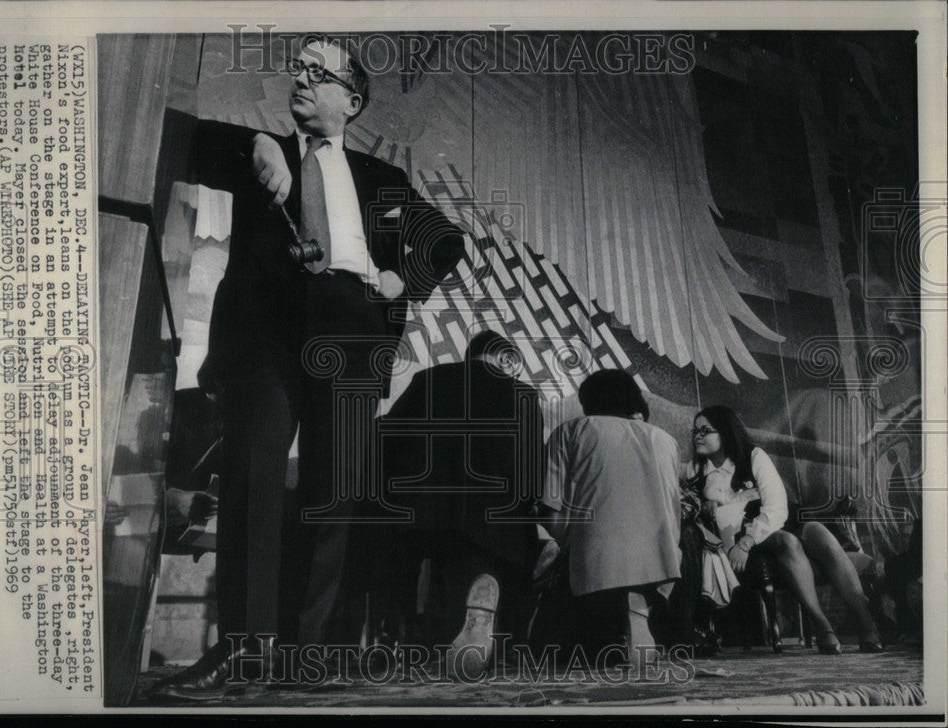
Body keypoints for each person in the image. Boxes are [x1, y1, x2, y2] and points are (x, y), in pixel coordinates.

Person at [157, 36, 464, 692]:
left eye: (319, 74)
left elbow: (446, 242)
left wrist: (397, 279)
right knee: (251, 482)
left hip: (353, 330)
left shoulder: (384, 182)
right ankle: (245, 650)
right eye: (299, 68)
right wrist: (257, 145)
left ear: (351, 101)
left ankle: (312, 655)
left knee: (336, 498)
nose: (302, 79)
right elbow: (183, 133)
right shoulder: (261, 155)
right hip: (268, 335)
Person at [368, 330, 546, 677]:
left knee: (408, 562)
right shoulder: (523, 394)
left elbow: (389, 439)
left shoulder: (427, 379)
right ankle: (500, 635)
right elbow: (532, 475)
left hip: (425, 512)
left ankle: (402, 638)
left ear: (470, 355)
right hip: (494, 520)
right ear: (503, 359)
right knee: (512, 557)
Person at [686, 405, 884, 654]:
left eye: (706, 430)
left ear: (725, 432)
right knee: (787, 542)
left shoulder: (753, 456)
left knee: (817, 530)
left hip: (769, 524)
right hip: (741, 537)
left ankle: (867, 624)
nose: (698, 435)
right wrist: (705, 505)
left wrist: (747, 541)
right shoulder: (695, 471)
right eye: (695, 430)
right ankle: (824, 627)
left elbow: (777, 507)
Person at [537, 370, 681, 673]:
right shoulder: (665, 439)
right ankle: (637, 606)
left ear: (587, 401)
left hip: (595, 566)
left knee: (561, 650)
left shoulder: (570, 431)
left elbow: (550, 510)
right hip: (658, 564)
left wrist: (566, 547)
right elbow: (672, 512)